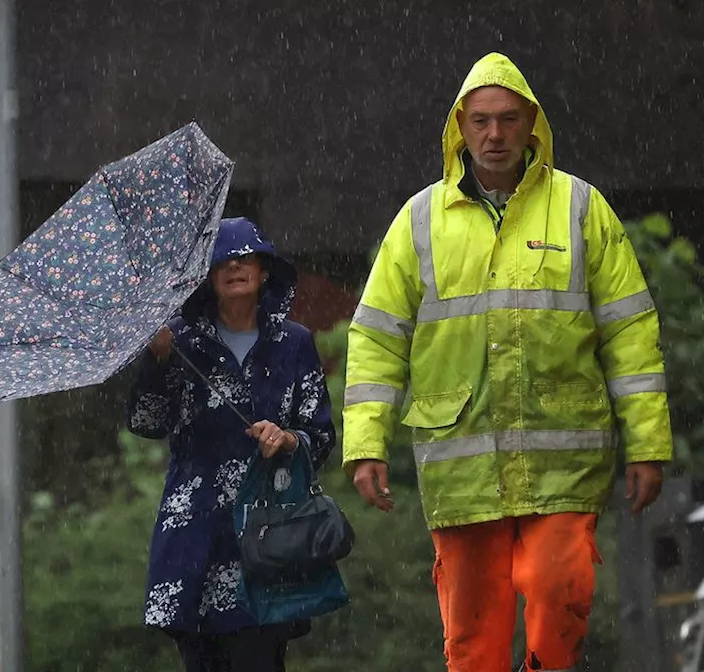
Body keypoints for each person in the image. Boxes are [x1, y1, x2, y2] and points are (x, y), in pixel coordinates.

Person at [341, 52, 674, 672]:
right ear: (460, 129)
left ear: (532, 127)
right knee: (473, 640)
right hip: (461, 467)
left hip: (563, 462)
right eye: (481, 122)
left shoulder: (580, 208)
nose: (494, 136)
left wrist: (648, 445)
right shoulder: (419, 221)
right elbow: (377, 337)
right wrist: (366, 444)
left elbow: (630, 331)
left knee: (558, 595)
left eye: (509, 121)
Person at [126, 216, 335, 672]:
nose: (236, 266)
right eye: (223, 259)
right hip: (194, 538)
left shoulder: (294, 343)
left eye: (246, 258)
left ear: (264, 271)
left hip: (267, 537)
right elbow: (146, 422)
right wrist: (157, 362)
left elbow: (320, 434)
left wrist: (286, 440)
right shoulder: (178, 342)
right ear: (206, 277)